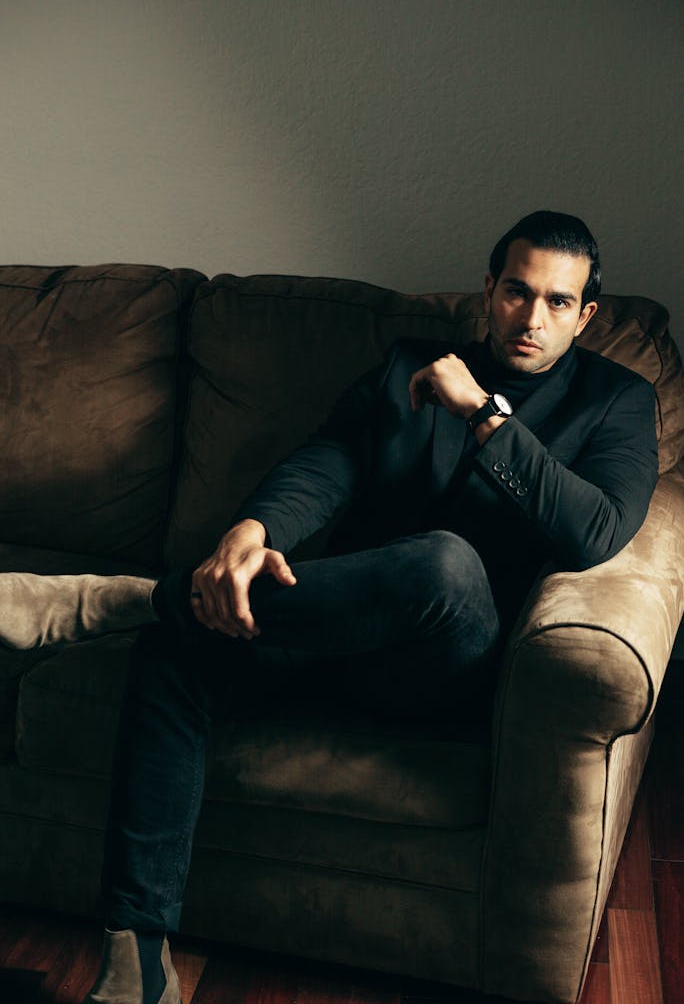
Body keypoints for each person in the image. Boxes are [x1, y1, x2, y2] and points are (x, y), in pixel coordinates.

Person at [0, 212, 660, 1004]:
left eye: (558, 302)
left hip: (444, 664)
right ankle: (136, 961)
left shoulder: (617, 399)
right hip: (324, 623)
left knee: (446, 561)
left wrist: (483, 413)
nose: (531, 317)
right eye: (518, 291)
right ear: (490, 289)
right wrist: (250, 532)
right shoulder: (406, 366)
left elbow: (594, 531)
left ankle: (139, 599)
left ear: (586, 315)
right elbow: (328, 461)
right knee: (180, 653)